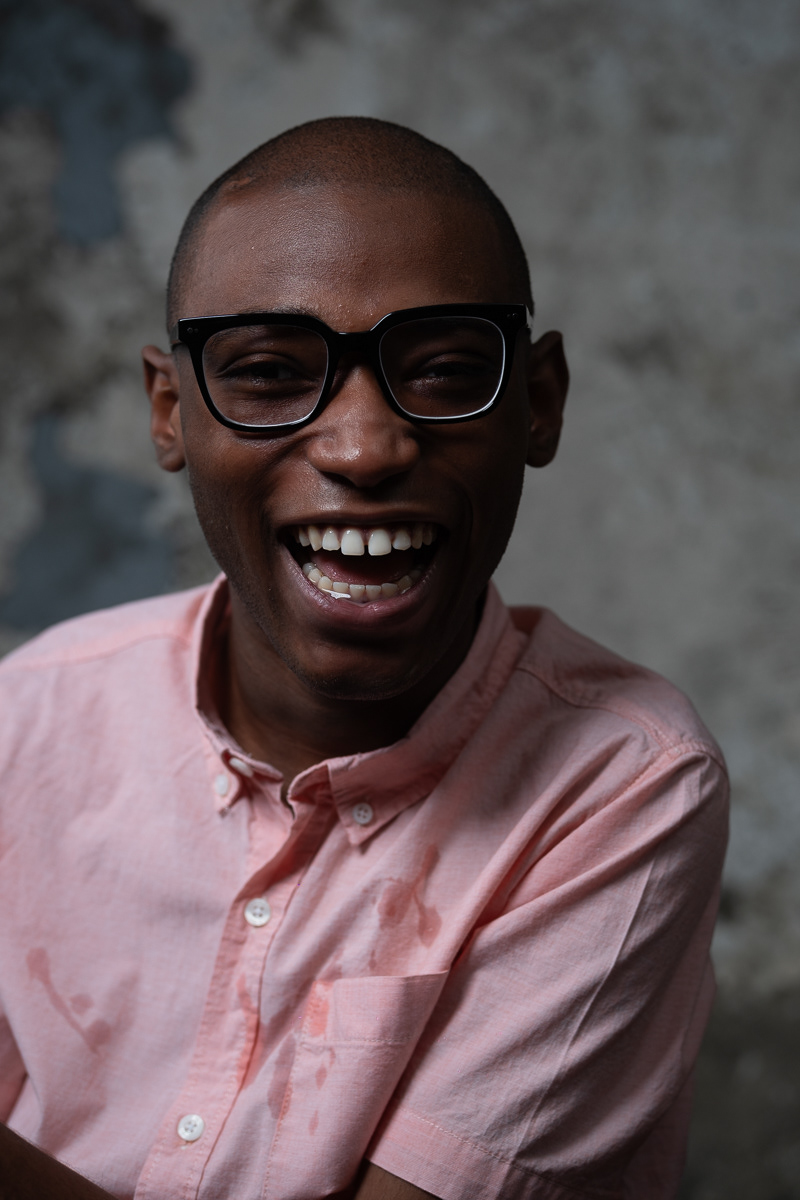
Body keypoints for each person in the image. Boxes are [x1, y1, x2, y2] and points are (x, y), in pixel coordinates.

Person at [0, 117, 728, 1200]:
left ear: (538, 403)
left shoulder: (623, 785)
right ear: (170, 414)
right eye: (265, 372)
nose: (365, 447)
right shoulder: (27, 721)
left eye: (444, 371)